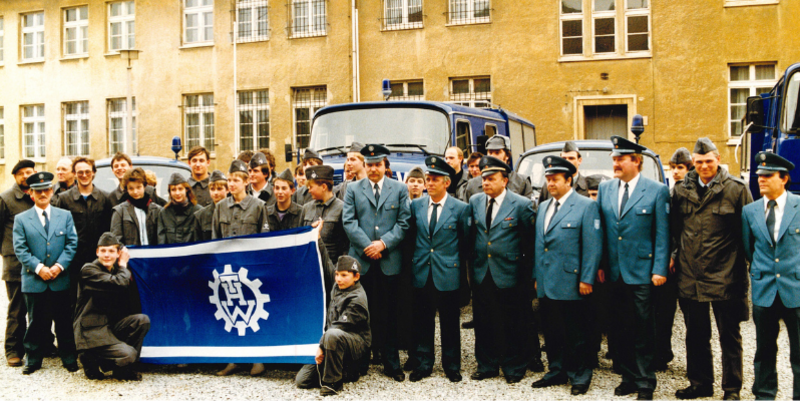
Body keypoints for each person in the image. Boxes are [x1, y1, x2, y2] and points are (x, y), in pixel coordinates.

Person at [671, 138, 752, 400]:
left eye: (709, 161)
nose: (704, 166)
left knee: (729, 336)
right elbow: (675, 230)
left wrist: (744, 274)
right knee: (695, 335)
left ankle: (732, 389)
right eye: (699, 162)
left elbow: (748, 234)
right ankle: (700, 384)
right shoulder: (682, 189)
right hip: (690, 276)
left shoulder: (736, 190)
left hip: (725, 275)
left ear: (718, 159)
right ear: (693, 163)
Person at [596, 135, 670, 400]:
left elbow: (662, 233)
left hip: (641, 271)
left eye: (620, 159)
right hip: (614, 272)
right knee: (618, 328)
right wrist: (601, 265)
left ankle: (645, 381)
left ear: (636, 162)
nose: (615, 163)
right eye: (614, 159)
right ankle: (627, 377)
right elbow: (603, 232)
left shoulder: (656, 190)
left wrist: (659, 268)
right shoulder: (606, 189)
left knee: (642, 327)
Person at [531, 156, 602, 395]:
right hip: (547, 280)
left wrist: (586, 278)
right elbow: (540, 245)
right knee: (552, 330)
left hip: (572, 281)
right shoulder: (543, 207)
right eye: (548, 179)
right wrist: (536, 276)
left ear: (568, 180)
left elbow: (592, 247)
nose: (550, 184)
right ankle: (557, 370)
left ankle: (580, 375)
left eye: (555, 179)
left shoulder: (585, 206)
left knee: (576, 332)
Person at [342, 144, 411, 382]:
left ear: (385, 166)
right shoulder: (352, 189)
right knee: (361, 313)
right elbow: (349, 222)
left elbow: (404, 223)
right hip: (362, 262)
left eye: (377, 165)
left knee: (390, 313)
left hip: (388, 260)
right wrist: (367, 246)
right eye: (369, 165)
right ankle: (360, 361)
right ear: (365, 165)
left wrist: (382, 244)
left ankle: (392, 363)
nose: (373, 169)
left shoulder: (400, 189)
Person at [468, 156, 535, 384]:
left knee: (512, 321)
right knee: (483, 320)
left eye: (491, 179)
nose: (485, 182)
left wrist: (527, 277)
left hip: (509, 271)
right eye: (483, 178)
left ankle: (514, 365)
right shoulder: (476, 201)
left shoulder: (521, 205)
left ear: (504, 181)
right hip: (482, 270)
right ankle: (486, 364)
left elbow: (528, 242)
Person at [405, 156, 470, 383]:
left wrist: (462, 278)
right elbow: (412, 238)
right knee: (423, 321)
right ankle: (423, 363)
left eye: (434, 180)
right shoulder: (416, 206)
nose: (429, 183)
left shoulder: (461, 209)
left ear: (447, 183)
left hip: (447, 273)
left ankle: (451, 365)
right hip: (422, 272)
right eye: (427, 179)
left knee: (450, 322)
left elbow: (464, 244)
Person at [741, 152, 800, 400]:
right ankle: (764, 393)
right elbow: (748, 248)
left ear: (784, 178)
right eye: (759, 176)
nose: (761, 180)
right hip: (765, 290)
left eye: (767, 176)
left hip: (795, 289)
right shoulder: (750, 211)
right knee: (764, 349)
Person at [12, 171, 79, 375]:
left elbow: (72, 243)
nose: (43, 194)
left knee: (64, 320)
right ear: (31, 194)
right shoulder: (21, 219)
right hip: (35, 279)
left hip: (60, 278)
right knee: (36, 321)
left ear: (52, 191)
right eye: (38, 191)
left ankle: (68, 357)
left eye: (46, 190)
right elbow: (20, 249)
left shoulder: (64, 215)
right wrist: (40, 268)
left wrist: (58, 267)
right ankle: (33, 359)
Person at [212, 160, 268, 377]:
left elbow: (264, 240)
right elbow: (215, 239)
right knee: (230, 313)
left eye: (236, 180)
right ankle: (233, 359)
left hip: (250, 270)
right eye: (230, 180)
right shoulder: (220, 207)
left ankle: (257, 359)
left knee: (252, 312)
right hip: (227, 269)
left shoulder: (258, 206)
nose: (231, 184)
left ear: (246, 182)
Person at [74, 232, 150, 381]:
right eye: (103, 251)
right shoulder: (88, 270)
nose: (107, 255)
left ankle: (122, 370)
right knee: (129, 354)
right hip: (91, 331)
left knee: (142, 321)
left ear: (118, 253)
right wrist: (123, 264)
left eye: (111, 251)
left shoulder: (116, 271)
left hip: (109, 326)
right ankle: (90, 357)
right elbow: (119, 283)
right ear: (97, 252)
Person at [295, 255, 371, 396]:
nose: (338, 279)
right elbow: (327, 263)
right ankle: (340, 370)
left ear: (356, 277)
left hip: (354, 344)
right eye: (337, 275)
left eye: (344, 275)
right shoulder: (339, 285)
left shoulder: (357, 298)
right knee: (302, 381)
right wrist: (318, 239)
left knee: (332, 334)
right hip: (332, 340)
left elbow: (340, 326)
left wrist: (321, 346)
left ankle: (333, 382)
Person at [53, 157, 113, 309]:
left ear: (93, 173)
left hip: (98, 261)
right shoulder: (63, 199)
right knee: (72, 303)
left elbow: (110, 231)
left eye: (88, 172)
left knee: (99, 302)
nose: (84, 175)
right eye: (80, 172)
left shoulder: (105, 198)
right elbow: (58, 232)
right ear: (74, 174)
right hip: (73, 262)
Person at [1, 160, 37, 367]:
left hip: (39, 262)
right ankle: (13, 349)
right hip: (16, 264)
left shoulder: (39, 196)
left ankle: (41, 344)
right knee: (17, 308)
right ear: (15, 176)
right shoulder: (6, 199)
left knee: (39, 307)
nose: (26, 176)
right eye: (22, 173)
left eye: (29, 172)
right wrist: (7, 254)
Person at [462, 136, 532, 202]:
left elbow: (528, 211)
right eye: (490, 152)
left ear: (507, 156)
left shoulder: (522, 182)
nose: (492, 156)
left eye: (497, 152)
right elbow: (466, 212)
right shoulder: (472, 184)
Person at [302, 165, 348, 261]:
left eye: (311, 187)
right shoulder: (306, 208)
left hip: (333, 266)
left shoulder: (342, 208)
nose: (309, 191)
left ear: (323, 187)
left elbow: (347, 244)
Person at [110, 168, 162, 247]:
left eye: (138, 187)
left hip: (153, 256)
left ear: (145, 186)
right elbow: (116, 240)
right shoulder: (119, 211)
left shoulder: (157, 210)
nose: (135, 192)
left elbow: (161, 238)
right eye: (131, 188)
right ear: (126, 189)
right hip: (131, 257)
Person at [157, 173, 202, 245]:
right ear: (170, 192)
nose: (177, 193)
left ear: (186, 189)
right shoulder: (164, 213)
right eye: (173, 190)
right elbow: (161, 241)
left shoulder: (198, 212)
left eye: (180, 189)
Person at [266, 168, 304, 232]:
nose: (280, 192)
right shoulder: (266, 213)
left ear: (292, 191)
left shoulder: (301, 212)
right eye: (277, 188)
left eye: (284, 188)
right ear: (273, 189)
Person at [194, 170, 228, 242]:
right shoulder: (201, 216)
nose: (215, 193)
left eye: (219, 189)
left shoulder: (234, 211)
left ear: (227, 190)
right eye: (212, 189)